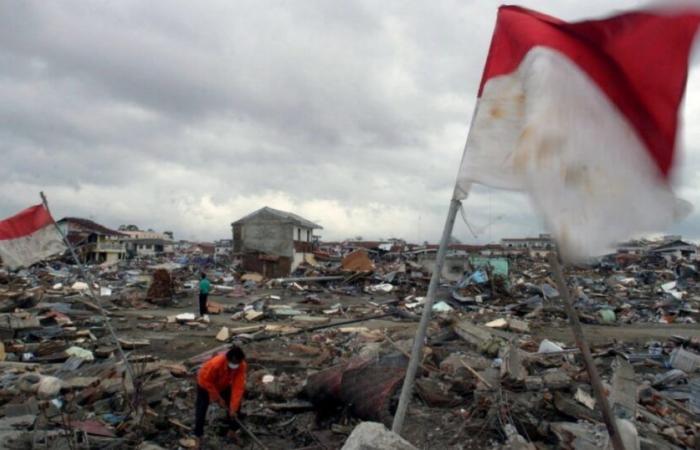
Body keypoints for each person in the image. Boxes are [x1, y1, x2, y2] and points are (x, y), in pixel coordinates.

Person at [194, 345, 248, 443]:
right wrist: (218, 398)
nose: (235, 365)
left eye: (237, 363)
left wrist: (233, 408)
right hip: (204, 384)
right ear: (227, 359)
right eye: (233, 363)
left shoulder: (241, 365)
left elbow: (238, 387)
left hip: (223, 384)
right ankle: (198, 436)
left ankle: (232, 431)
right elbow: (207, 381)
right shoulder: (216, 363)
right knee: (201, 409)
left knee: (236, 407)